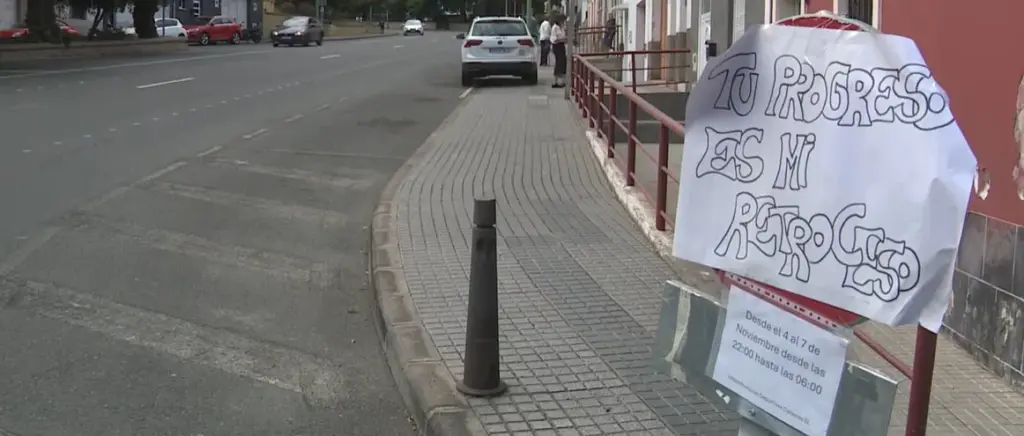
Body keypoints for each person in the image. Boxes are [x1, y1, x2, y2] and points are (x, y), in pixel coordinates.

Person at [550, 15, 568, 88]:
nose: (564, 22)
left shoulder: (562, 28)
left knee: (563, 62)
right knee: (559, 63)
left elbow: (563, 36)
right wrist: (564, 40)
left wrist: (565, 39)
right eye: (563, 20)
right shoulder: (555, 27)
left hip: (561, 46)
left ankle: (560, 81)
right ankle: (556, 81)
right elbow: (554, 39)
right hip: (557, 46)